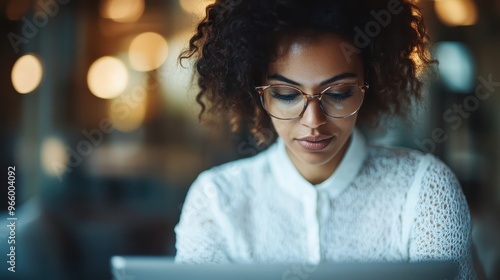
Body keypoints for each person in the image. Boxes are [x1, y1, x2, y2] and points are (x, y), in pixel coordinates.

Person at [174, 0, 476, 279]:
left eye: (339, 93)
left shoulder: (424, 190)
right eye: (287, 95)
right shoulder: (216, 200)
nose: (313, 121)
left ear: (368, 86)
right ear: (257, 93)